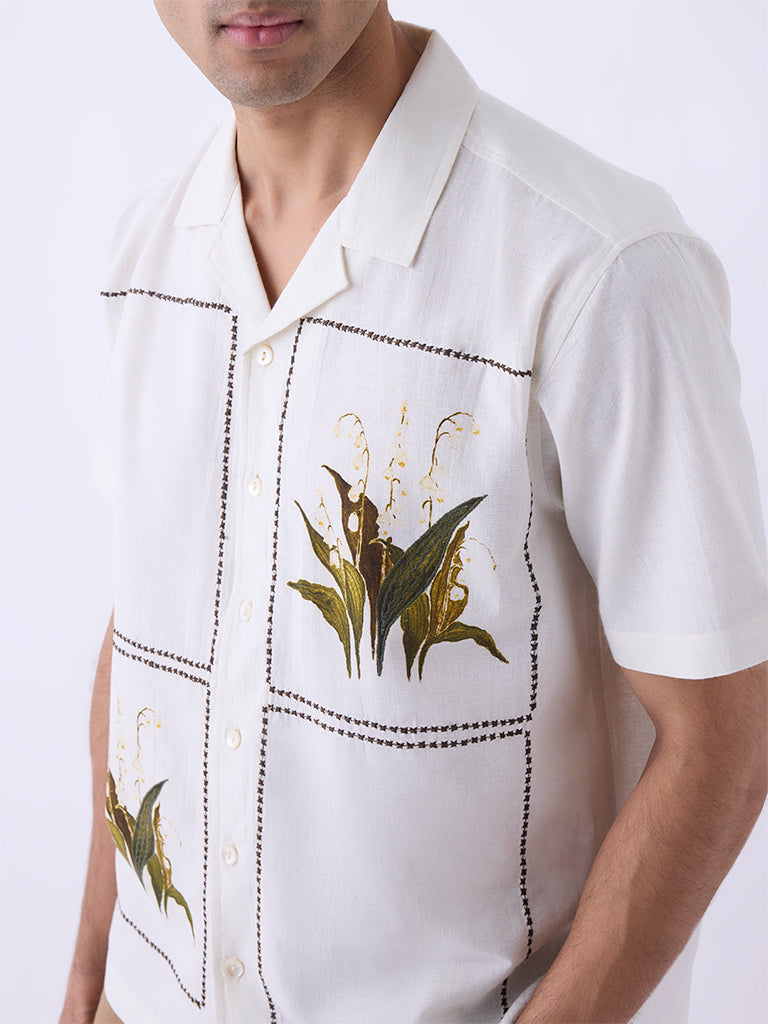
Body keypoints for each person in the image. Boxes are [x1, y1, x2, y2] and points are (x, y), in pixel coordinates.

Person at [60, 3, 768, 1023]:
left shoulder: (598, 266)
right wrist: (93, 978)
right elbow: (152, 632)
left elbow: (724, 733)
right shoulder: (146, 251)